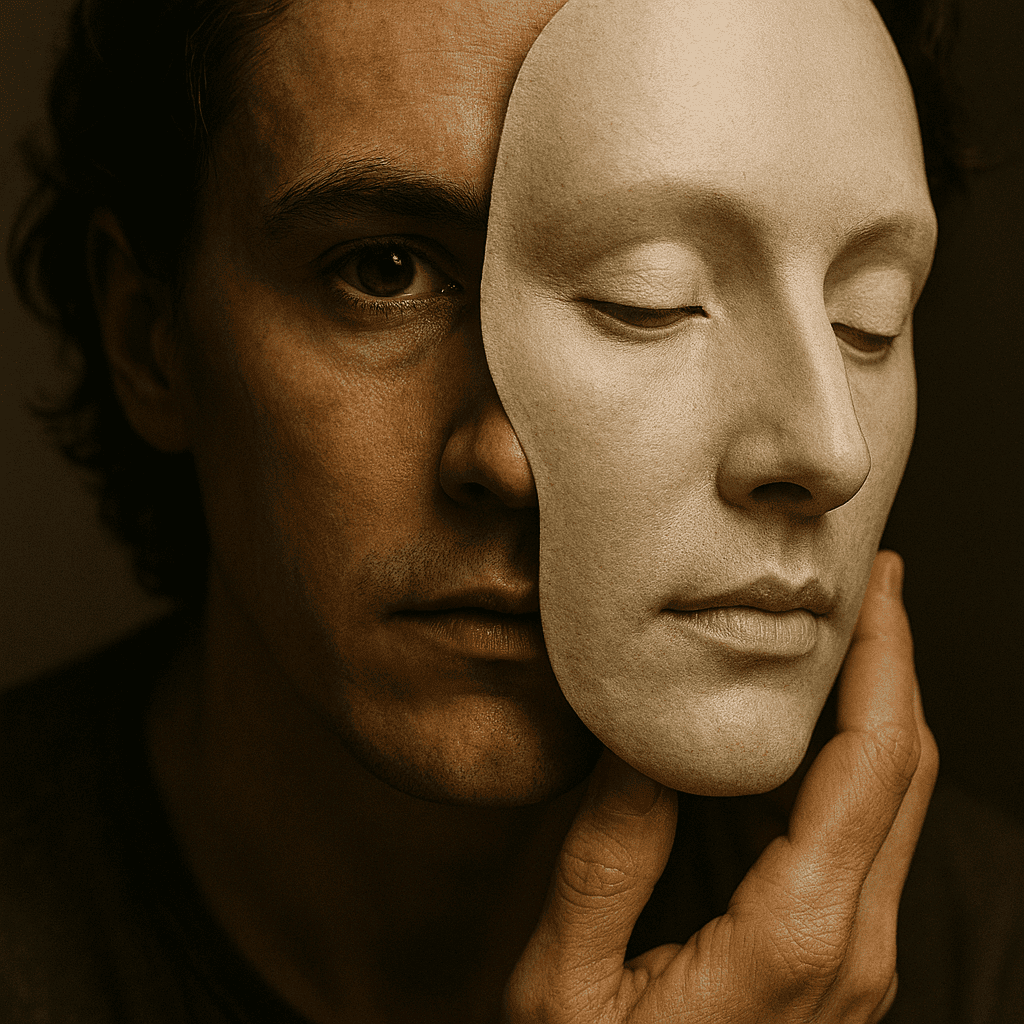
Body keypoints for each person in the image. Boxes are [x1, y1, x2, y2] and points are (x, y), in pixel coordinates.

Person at [2, 1, 1021, 1023]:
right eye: (387, 271)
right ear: (148, 336)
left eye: (862, 313)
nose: (505, 456)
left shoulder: (983, 962)